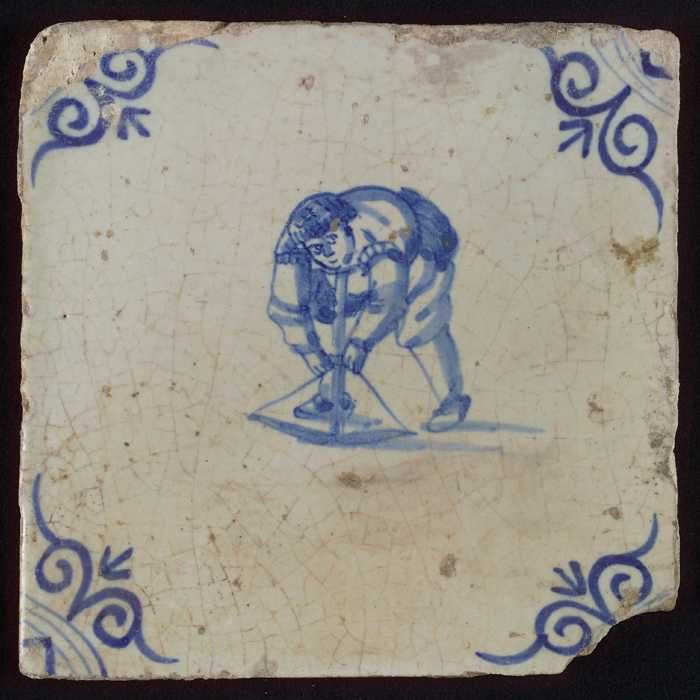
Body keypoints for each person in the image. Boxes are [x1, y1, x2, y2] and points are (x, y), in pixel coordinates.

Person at [267, 186, 470, 432]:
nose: (327, 253)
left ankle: (452, 400)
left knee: (418, 327)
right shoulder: (292, 251)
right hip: (359, 267)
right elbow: (286, 306)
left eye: (331, 241)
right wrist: (309, 351)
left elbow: (388, 299)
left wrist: (361, 343)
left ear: (347, 228)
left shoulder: (382, 243)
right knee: (332, 320)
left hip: (421, 251)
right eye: (318, 249)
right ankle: (332, 397)